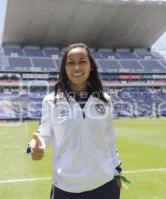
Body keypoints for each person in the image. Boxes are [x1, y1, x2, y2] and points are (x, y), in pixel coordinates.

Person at [28, 43, 122, 199]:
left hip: (105, 185)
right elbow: (43, 135)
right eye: (71, 62)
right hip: (66, 188)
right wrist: (36, 147)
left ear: (90, 66)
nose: (77, 67)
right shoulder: (51, 101)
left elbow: (110, 140)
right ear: (64, 68)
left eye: (82, 61)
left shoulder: (105, 100)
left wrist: (117, 172)